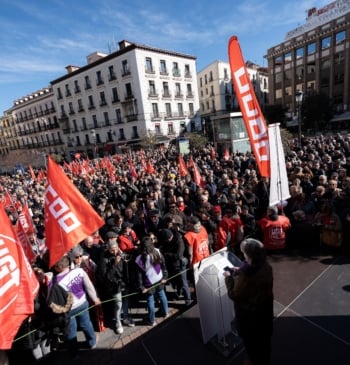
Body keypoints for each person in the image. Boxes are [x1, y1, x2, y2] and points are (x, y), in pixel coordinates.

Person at [224, 238, 274, 365]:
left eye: (244, 253)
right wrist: (239, 271)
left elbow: (234, 295)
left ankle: (254, 361)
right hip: (266, 310)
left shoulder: (247, 276)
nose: (243, 255)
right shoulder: (266, 266)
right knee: (264, 342)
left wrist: (229, 279)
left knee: (252, 343)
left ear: (249, 255)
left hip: (250, 316)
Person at [53, 255, 100, 353]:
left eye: (55, 266)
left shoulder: (56, 281)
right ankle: (92, 342)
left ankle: (74, 352)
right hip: (82, 303)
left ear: (59, 268)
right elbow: (89, 286)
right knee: (86, 324)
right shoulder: (79, 271)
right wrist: (95, 298)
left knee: (71, 330)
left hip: (68, 309)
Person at [96, 239, 135, 334]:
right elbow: (107, 276)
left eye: (116, 249)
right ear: (108, 249)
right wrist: (114, 264)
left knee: (125, 302)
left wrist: (123, 259)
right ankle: (118, 322)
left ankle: (125, 318)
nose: (114, 252)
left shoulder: (120, 254)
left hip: (123, 283)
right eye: (112, 250)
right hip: (114, 285)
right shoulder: (104, 259)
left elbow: (126, 268)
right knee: (118, 304)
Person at [135, 236, 169, 326]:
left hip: (148, 283)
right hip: (159, 279)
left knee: (150, 301)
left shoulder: (139, 259)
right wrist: (165, 276)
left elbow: (138, 275)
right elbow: (163, 264)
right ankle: (166, 313)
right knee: (162, 295)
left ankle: (152, 320)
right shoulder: (157, 251)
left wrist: (141, 287)